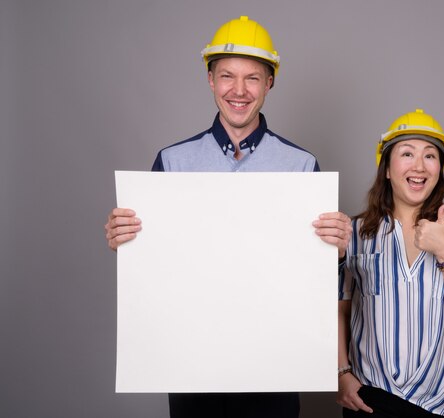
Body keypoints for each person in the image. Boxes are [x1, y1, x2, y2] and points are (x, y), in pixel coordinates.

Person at [104, 16, 352, 418]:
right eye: (227, 76)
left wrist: (337, 252)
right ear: (209, 79)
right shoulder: (172, 162)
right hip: (192, 363)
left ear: (270, 83)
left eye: (252, 78)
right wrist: (125, 242)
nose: (239, 91)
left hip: (276, 364)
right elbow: (153, 269)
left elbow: (318, 277)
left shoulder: (302, 166)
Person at [337, 109, 444, 418]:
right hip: (372, 400)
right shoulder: (353, 233)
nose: (419, 166)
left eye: (430, 156)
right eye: (407, 153)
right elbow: (339, 308)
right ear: (387, 168)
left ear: (440, 168)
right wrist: (341, 373)